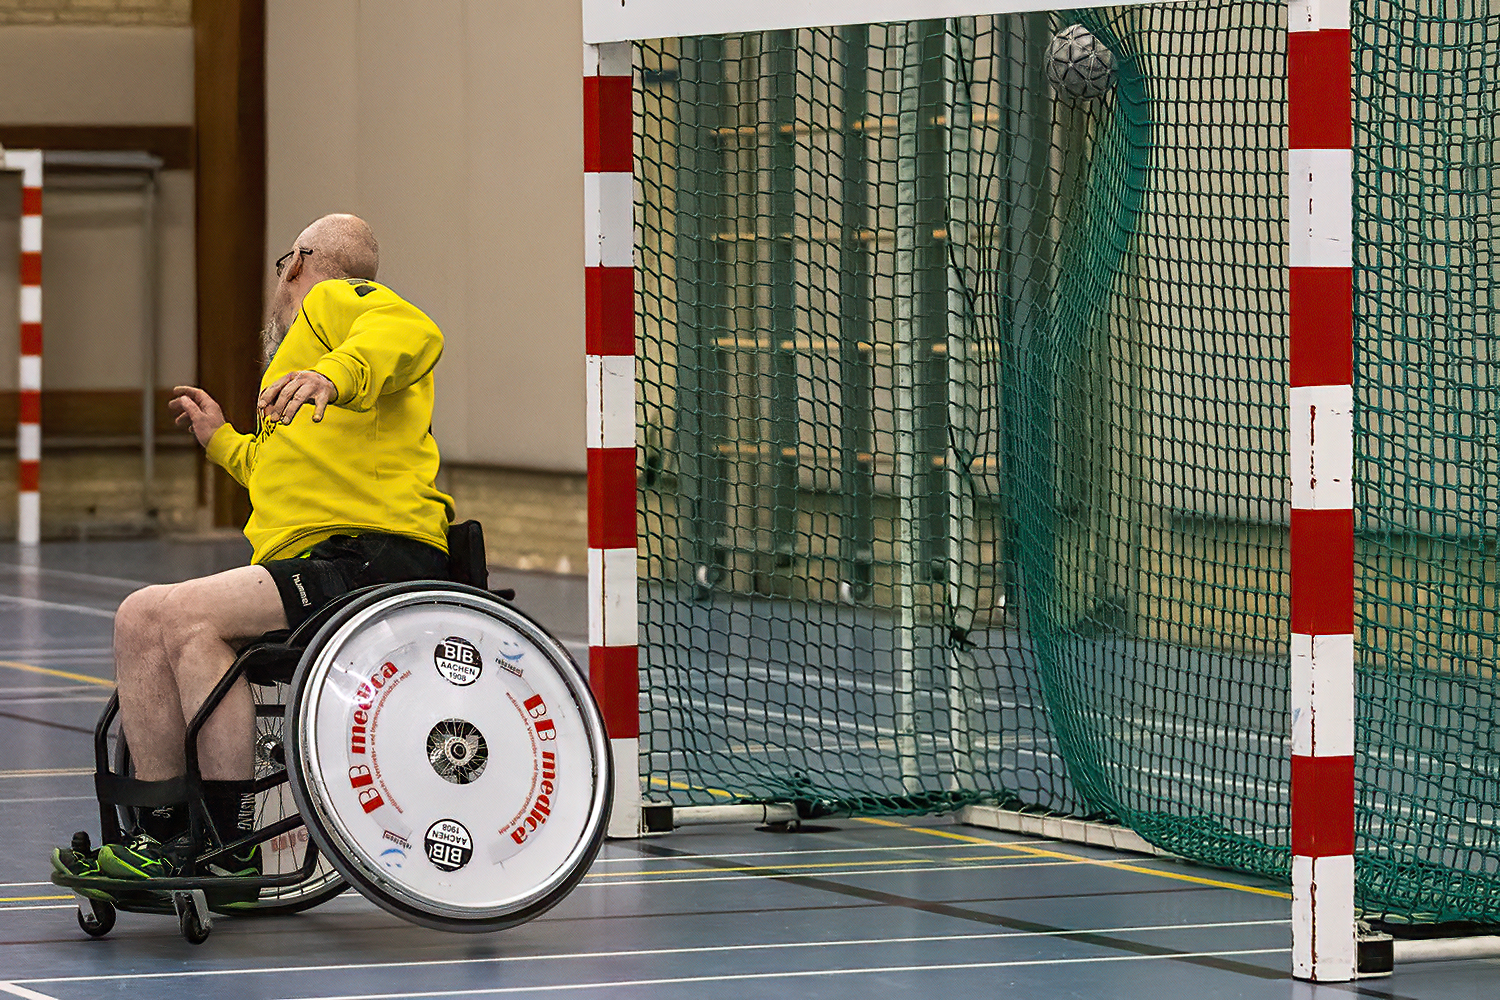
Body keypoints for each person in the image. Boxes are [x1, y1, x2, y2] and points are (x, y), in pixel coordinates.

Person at [52, 213, 455, 888]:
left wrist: (336, 374)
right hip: (310, 560)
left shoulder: (338, 304)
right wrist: (224, 442)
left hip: (369, 554)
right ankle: (164, 836)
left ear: (295, 263)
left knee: (186, 617)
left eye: (282, 266)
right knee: (141, 616)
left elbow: (413, 331)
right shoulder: (298, 362)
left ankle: (226, 845)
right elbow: (277, 474)